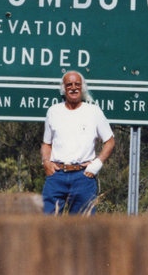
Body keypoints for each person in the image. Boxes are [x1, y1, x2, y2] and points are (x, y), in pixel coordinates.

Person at [41, 71, 115, 214]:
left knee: (82, 227)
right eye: (69, 84)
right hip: (56, 176)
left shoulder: (94, 111)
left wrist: (96, 165)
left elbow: (110, 141)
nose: (73, 88)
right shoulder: (53, 111)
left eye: (77, 84)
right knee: (46, 222)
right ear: (64, 88)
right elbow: (46, 144)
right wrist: (46, 162)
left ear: (82, 88)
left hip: (83, 177)